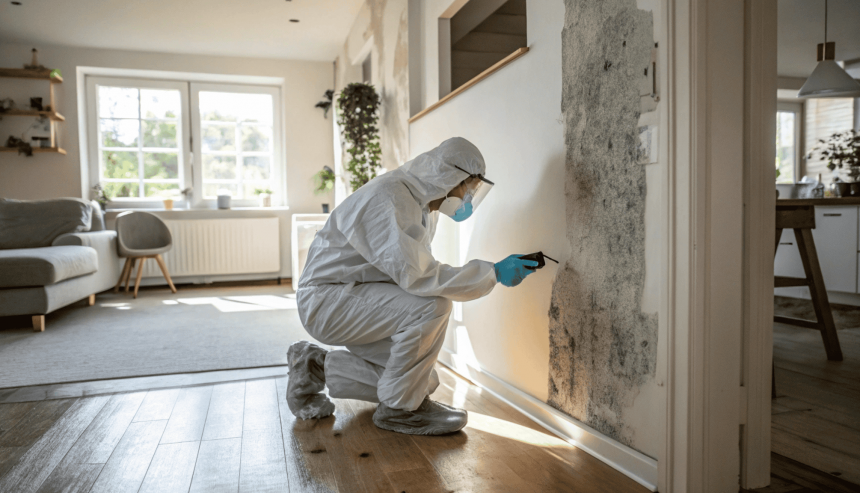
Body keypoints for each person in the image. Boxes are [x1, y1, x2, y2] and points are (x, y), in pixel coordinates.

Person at [288, 137, 539, 435]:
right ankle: (399, 411)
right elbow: (419, 276)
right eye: (469, 188)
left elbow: (411, 272)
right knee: (433, 307)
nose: (469, 198)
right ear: (449, 176)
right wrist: (492, 273)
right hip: (327, 300)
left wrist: (489, 274)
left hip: (352, 295)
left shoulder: (421, 205)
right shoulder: (390, 198)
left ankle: (314, 365)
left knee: (420, 380)